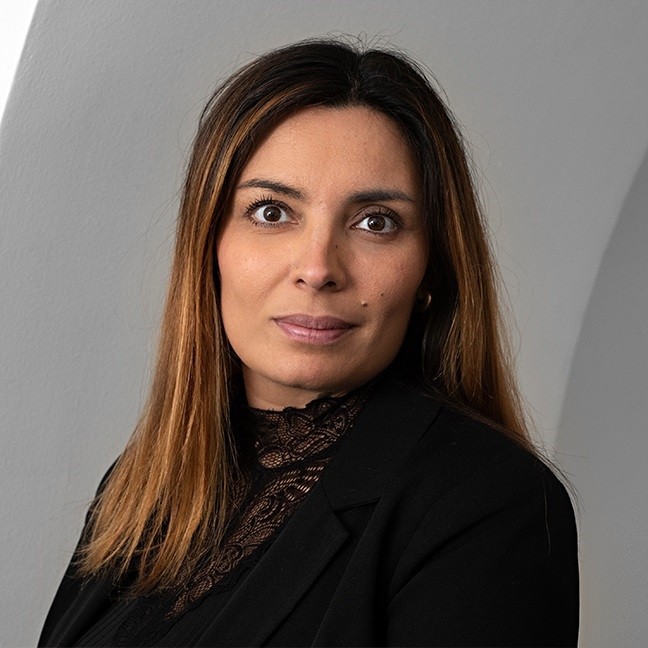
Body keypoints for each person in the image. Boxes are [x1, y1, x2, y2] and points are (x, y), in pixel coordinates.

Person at [39, 39, 579, 647]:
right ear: (209, 247)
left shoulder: (490, 504)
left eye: (375, 221)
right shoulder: (144, 484)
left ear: (431, 268)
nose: (318, 268)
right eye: (272, 212)